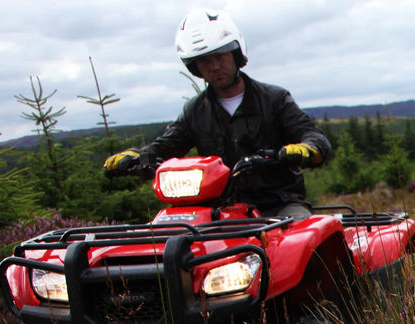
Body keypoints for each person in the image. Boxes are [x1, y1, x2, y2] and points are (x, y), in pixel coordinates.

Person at [103, 9, 331, 220]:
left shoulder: (274, 99)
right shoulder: (195, 111)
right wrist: (135, 157)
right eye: (204, 61)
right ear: (195, 67)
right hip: (217, 209)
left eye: (220, 56)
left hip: (279, 203)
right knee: (169, 241)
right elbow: (164, 148)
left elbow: (314, 137)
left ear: (235, 54)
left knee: (300, 242)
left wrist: (302, 150)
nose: (214, 66)